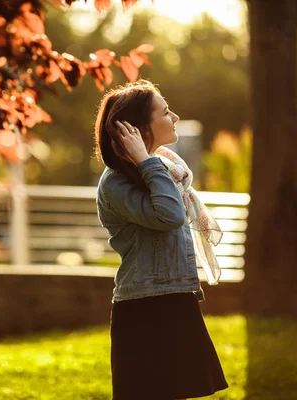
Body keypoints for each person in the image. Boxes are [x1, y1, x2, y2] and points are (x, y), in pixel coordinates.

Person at [94, 79, 229, 400]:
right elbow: (170, 216)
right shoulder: (117, 182)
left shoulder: (162, 169)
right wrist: (145, 159)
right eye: (166, 112)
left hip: (173, 297)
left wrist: (147, 161)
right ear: (138, 129)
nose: (175, 118)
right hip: (146, 307)